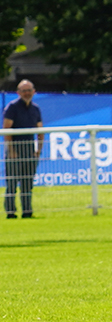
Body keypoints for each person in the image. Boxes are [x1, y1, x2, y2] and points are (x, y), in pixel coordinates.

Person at [4, 79, 43, 219]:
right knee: (12, 183)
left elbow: (40, 130)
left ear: (34, 91)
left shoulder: (35, 108)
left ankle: (27, 211)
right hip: (15, 150)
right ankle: (10, 212)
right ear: (18, 93)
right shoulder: (12, 107)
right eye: (23, 91)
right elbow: (7, 130)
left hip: (29, 150)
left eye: (29, 90)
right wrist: (12, 151)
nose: (26, 93)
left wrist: (38, 151)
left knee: (27, 183)